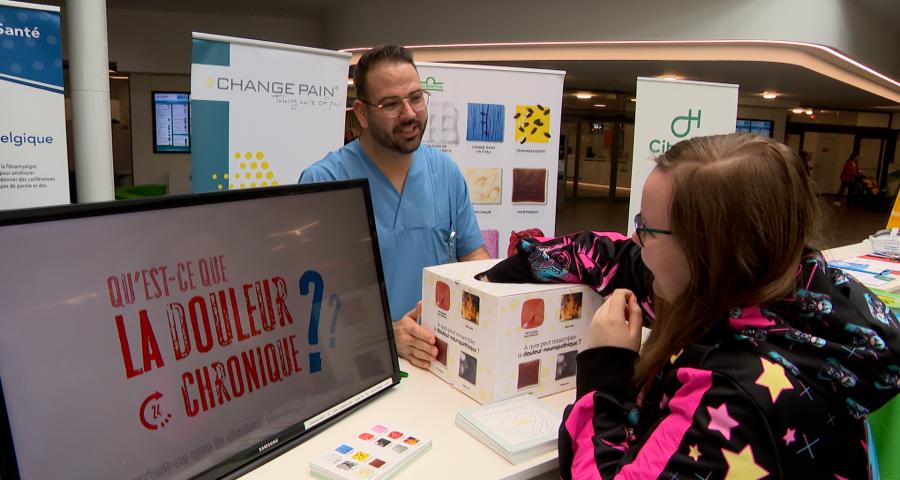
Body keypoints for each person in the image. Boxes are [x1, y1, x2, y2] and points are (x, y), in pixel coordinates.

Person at [482, 134, 899, 478]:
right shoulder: (805, 295)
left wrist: (604, 373)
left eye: (647, 228)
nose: (636, 237)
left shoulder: (730, 401)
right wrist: (498, 274)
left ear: (704, 249)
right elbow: (616, 257)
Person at [300, 45, 489, 369]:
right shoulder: (325, 182)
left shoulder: (444, 172)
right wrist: (387, 335)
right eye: (391, 104)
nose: (410, 114)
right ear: (362, 113)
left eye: (416, 98)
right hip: (357, 367)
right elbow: (310, 302)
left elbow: (473, 258)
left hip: (437, 360)